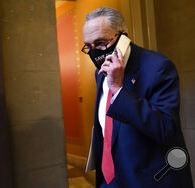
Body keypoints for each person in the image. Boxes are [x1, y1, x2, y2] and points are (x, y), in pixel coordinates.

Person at [82, 7, 193, 188]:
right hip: (110, 180)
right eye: (89, 46)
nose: (95, 52)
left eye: (101, 43)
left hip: (147, 180)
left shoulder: (158, 67)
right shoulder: (99, 72)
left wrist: (118, 89)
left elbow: (166, 128)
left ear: (123, 36)